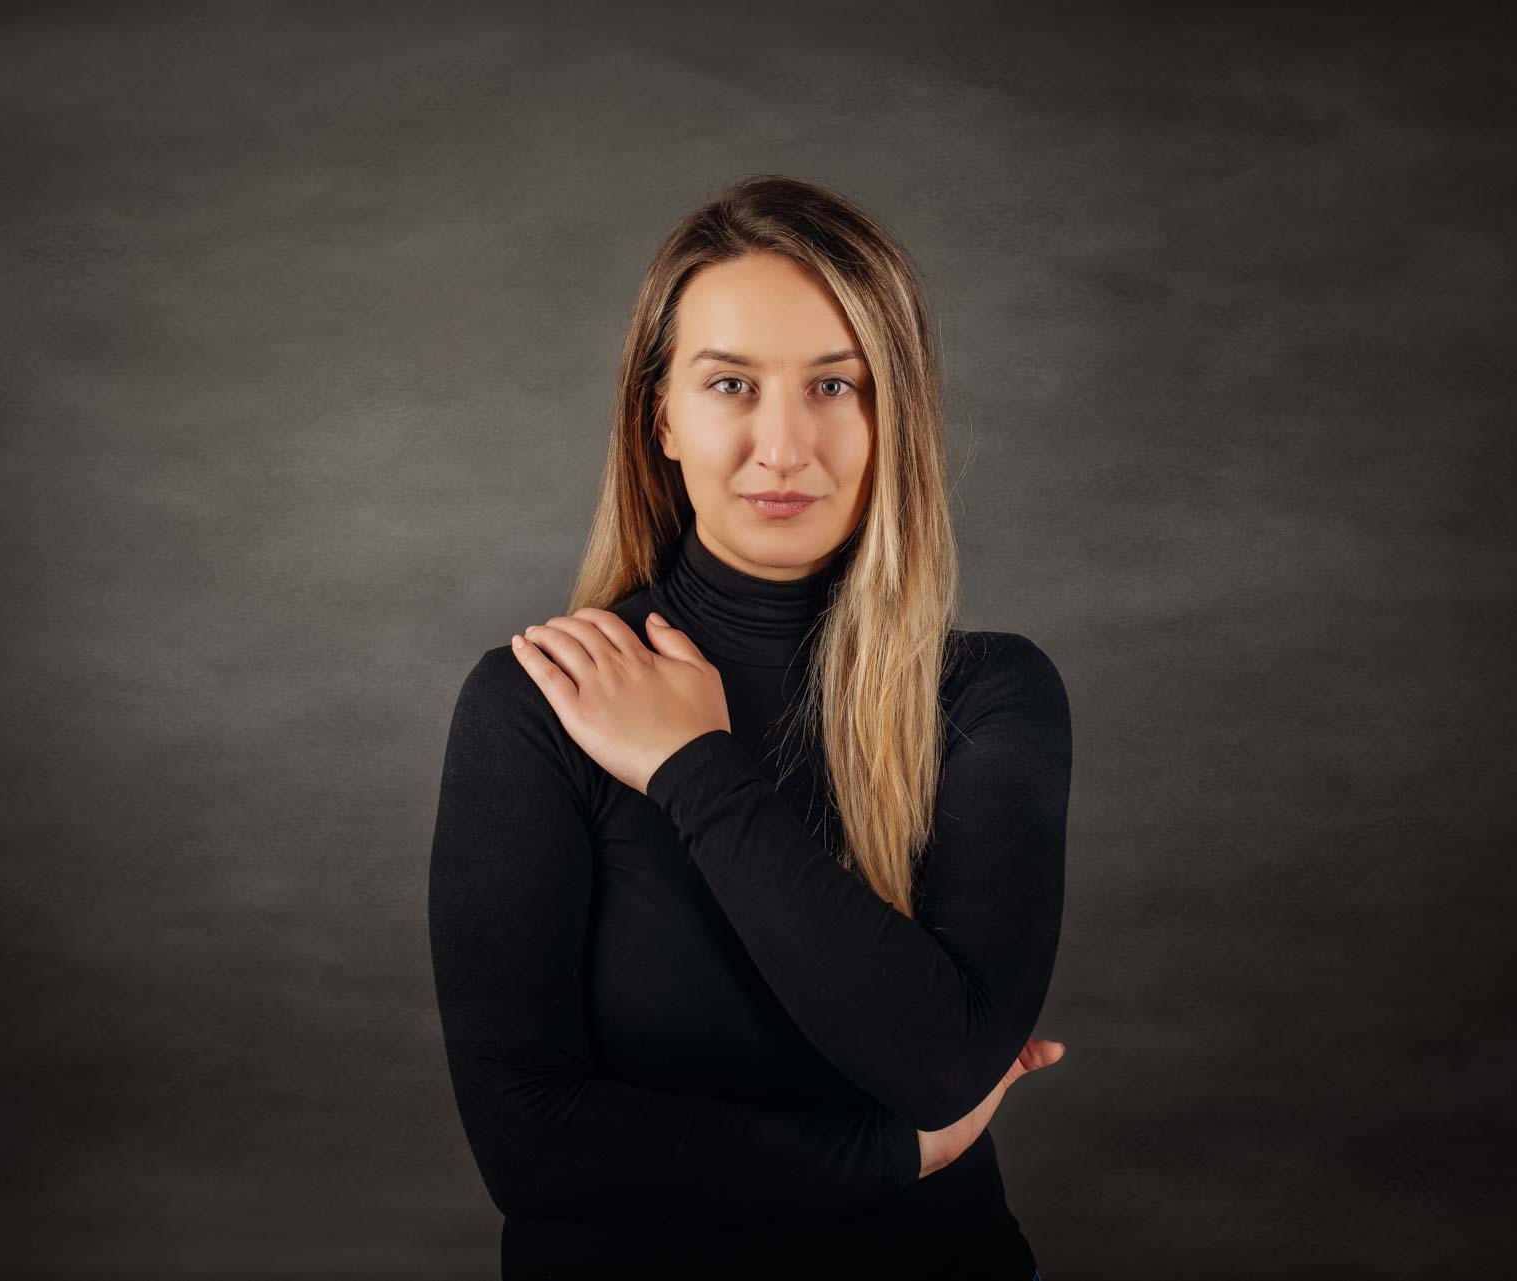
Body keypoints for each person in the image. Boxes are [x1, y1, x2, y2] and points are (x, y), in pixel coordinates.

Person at [427, 175, 1071, 1280]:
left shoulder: (989, 695)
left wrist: (692, 766)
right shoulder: (539, 702)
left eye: (834, 384)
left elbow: (940, 1065)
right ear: (662, 419)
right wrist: (893, 1155)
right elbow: (533, 1148)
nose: (783, 446)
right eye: (731, 383)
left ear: (894, 416)